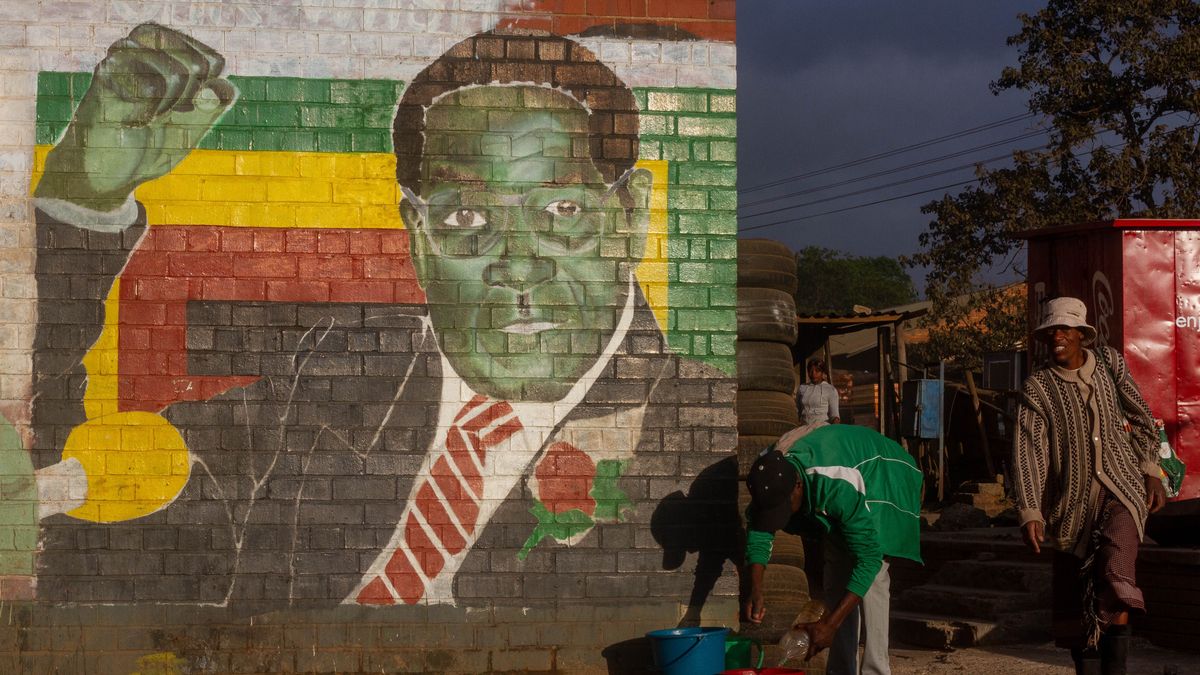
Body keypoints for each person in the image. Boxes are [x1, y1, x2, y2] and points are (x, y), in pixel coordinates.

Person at [25, 24, 736, 608]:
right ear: (419, 241)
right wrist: (80, 202)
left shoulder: (700, 432)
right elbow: (73, 509)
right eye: (466, 216)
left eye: (561, 212)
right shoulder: (341, 369)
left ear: (631, 218)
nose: (519, 264)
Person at [1013, 297, 1167, 675]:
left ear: (1083, 334)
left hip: (1123, 489)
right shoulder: (1038, 388)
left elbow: (1142, 417)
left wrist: (1151, 470)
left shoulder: (1110, 365)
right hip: (1071, 506)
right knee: (1077, 605)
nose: (1057, 337)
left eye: (1065, 329)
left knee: (1116, 568)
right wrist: (1030, 509)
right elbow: (1029, 453)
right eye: (1051, 331)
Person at [742, 424, 922, 675]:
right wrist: (756, 589)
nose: (781, 518)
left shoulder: (836, 482)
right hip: (843, 477)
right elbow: (760, 533)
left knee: (873, 579)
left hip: (882, 473)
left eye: (784, 509)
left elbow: (868, 558)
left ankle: (876, 669)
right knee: (836, 572)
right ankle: (840, 671)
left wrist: (831, 623)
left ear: (797, 486)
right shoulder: (767, 474)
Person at [797, 358, 840, 425]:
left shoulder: (830, 390)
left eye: (817, 371)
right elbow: (798, 411)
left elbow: (835, 416)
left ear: (822, 372)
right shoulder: (802, 388)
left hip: (822, 429)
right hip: (804, 428)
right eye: (811, 371)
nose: (813, 374)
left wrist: (835, 432)